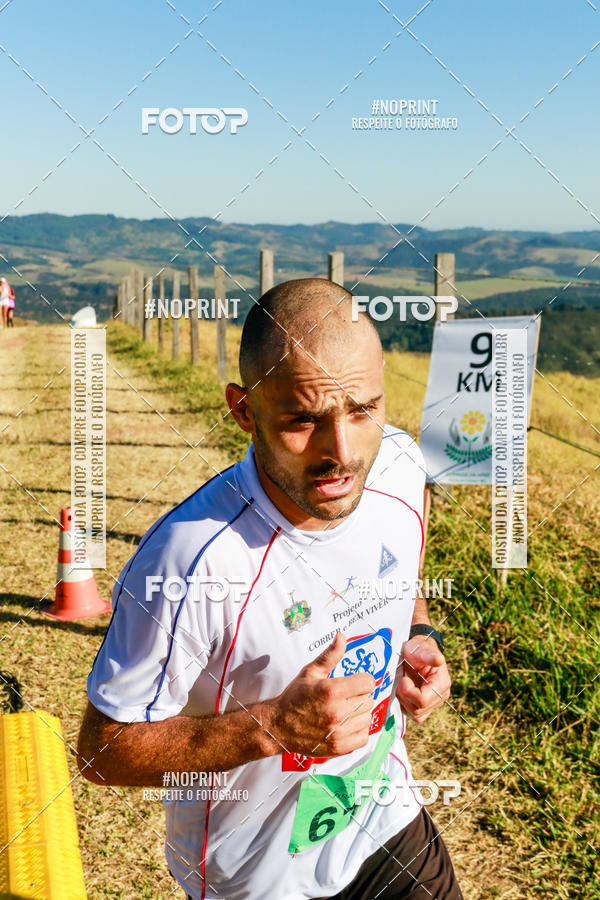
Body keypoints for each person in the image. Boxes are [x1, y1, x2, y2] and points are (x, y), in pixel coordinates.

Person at [78, 278, 462, 900]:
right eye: (303, 420)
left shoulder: (398, 466)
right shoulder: (189, 561)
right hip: (259, 876)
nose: (342, 453)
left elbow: (403, 566)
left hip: (387, 821)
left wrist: (416, 633)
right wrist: (272, 728)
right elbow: (102, 751)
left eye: (363, 409)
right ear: (242, 410)